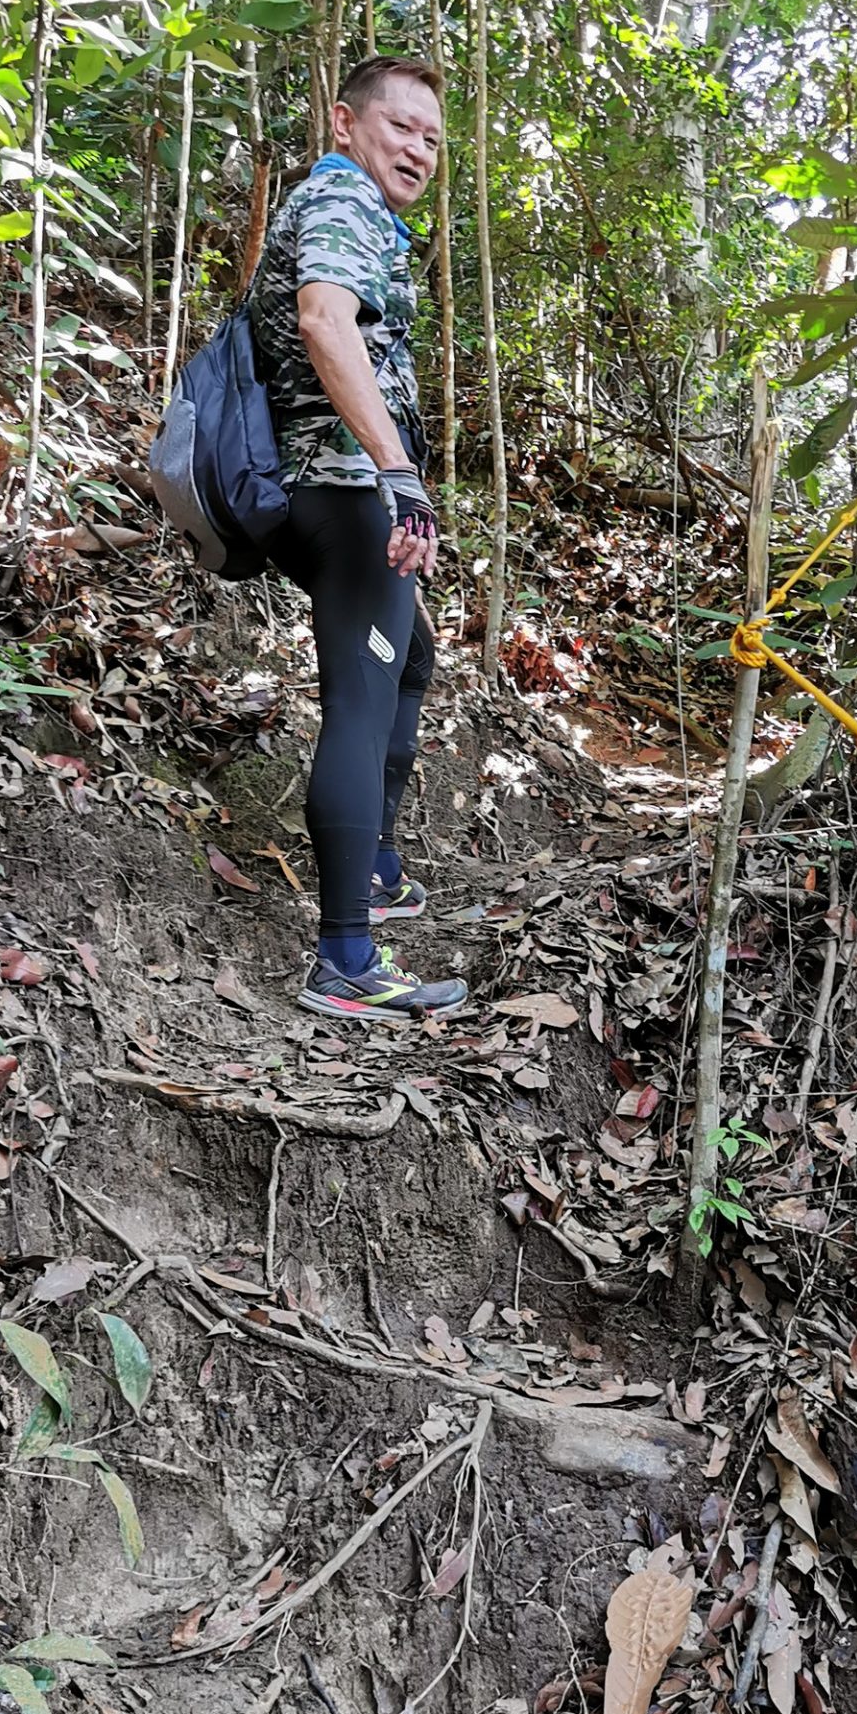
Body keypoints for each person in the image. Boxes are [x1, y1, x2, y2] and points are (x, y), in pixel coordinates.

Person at [246, 55, 470, 1022]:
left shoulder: (348, 204)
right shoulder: (342, 200)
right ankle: (344, 954)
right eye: (400, 127)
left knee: (405, 655)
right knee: (361, 694)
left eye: (432, 137)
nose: (418, 149)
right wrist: (397, 470)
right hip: (341, 486)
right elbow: (325, 323)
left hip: (321, 484)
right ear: (345, 123)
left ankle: (373, 866)